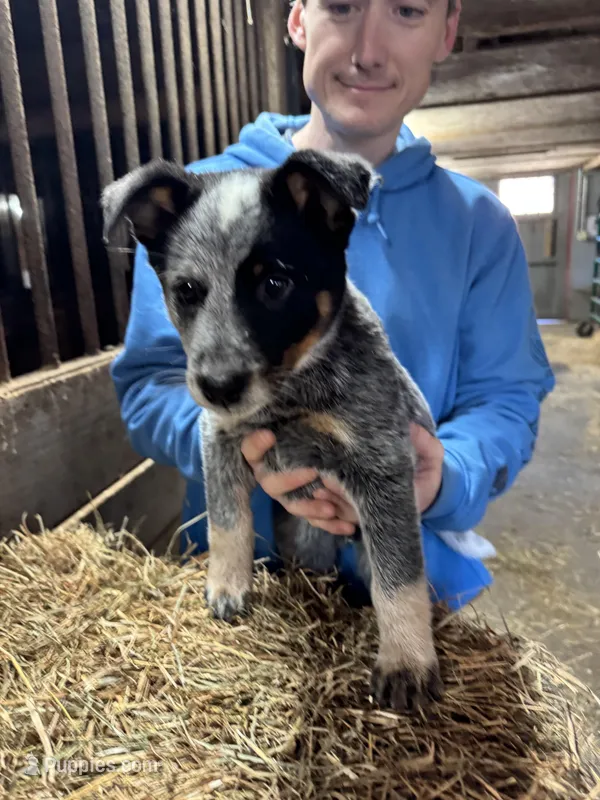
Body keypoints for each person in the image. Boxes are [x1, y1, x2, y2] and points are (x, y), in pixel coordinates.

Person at [110, 0, 555, 610]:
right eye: (341, 6)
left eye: (406, 10)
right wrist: (249, 452)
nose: (366, 49)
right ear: (296, 20)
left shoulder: (480, 225)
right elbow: (148, 388)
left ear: (447, 30)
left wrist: (448, 473)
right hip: (252, 596)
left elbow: (507, 399)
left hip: (416, 576)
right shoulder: (192, 208)